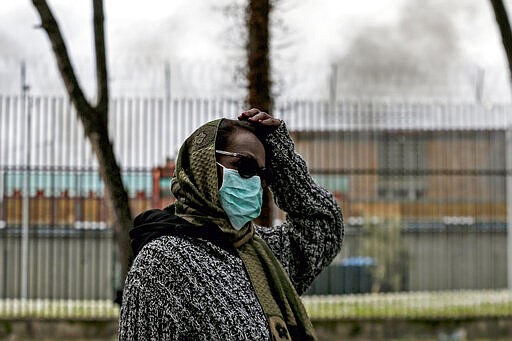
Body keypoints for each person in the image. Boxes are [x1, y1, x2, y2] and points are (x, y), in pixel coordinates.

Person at [119, 108, 344, 340]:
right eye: (246, 167)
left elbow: (322, 228)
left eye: (263, 175)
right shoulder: (163, 261)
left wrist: (283, 161)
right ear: (204, 164)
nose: (255, 182)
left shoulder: (261, 252)